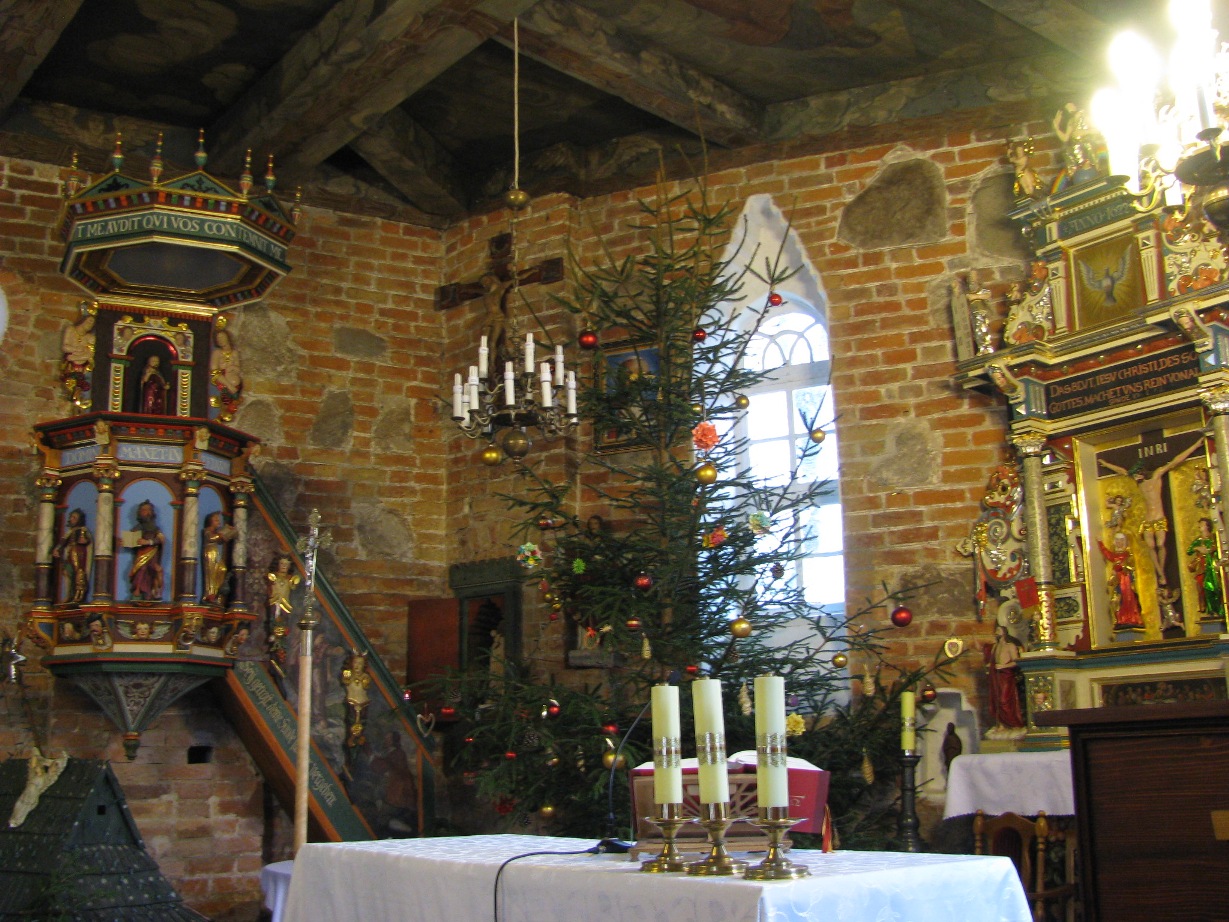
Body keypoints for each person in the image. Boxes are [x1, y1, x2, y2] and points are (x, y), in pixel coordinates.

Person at [1098, 438, 1204, 585]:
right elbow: (1122, 471)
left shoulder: (1156, 476)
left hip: (1159, 517)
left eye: (1136, 475)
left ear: (1141, 472)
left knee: (1160, 545)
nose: (1135, 477)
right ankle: (1160, 573)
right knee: (1151, 546)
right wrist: (1106, 464)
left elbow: (1175, 461)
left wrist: (1195, 445)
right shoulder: (1139, 483)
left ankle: (1162, 572)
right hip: (1148, 519)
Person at [1097, 531, 1143, 628]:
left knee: (1129, 599)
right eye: (1117, 540)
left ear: (1125, 542)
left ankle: (1132, 618)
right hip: (1119, 582)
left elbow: (1131, 567)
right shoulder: (1114, 556)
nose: (1119, 542)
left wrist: (1122, 567)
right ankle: (1120, 619)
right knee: (1117, 600)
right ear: (1114, 542)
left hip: (1127, 582)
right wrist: (1100, 542)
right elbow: (1107, 554)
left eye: (1122, 540)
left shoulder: (1128, 555)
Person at [984, 624, 1025, 729]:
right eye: (996, 630)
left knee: (1004, 699)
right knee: (997, 699)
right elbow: (993, 660)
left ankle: (1013, 723)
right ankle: (1002, 724)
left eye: (998, 630)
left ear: (1004, 632)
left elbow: (1016, 662)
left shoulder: (1010, 646)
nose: (996, 632)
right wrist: (990, 665)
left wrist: (1003, 666)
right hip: (996, 675)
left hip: (1006, 675)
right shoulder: (995, 647)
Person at [53, 508, 92, 605]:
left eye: (74, 518)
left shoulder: (83, 530)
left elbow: (88, 540)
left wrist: (84, 541)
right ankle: (69, 594)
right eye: (71, 517)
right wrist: (57, 549)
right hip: (70, 553)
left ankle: (79, 594)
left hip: (79, 553)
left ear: (79, 519)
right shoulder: (69, 532)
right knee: (68, 572)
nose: (72, 519)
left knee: (79, 573)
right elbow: (63, 542)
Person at [1186, 517, 1224, 617]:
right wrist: (1197, 548)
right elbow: (1189, 551)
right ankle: (1209, 610)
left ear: (1207, 526)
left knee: (1214, 587)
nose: (1200, 526)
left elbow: (1214, 548)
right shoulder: (1198, 540)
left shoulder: (1213, 537)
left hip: (1212, 566)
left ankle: (1218, 610)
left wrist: (1208, 550)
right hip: (1201, 567)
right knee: (1202, 588)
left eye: (1202, 524)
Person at [127, 500, 164, 601]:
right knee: (140, 569)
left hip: (152, 552)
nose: (146, 512)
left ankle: (152, 593)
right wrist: (126, 542)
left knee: (153, 571)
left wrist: (148, 542)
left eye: (148, 510)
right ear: (139, 512)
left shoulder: (155, 528)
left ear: (152, 512)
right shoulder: (137, 528)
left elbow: (160, 539)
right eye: (143, 510)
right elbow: (132, 541)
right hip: (141, 553)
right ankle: (137, 591)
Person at [201, 511, 237, 605]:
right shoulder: (207, 530)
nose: (218, 522)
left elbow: (220, 541)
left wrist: (229, 532)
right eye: (216, 520)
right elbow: (211, 538)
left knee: (222, 569)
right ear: (210, 522)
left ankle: (217, 593)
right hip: (209, 552)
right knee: (211, 574)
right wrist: (221, 535)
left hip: (215, 552)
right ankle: (210, 595)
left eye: (218, 520)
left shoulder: (216, 532)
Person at [210, 327, 243, 420]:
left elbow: (238, 368)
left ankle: (228, 410)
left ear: (228, 337)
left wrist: (233, 368)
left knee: (232, 401)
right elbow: (214, 371)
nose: (221, 340)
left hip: (235, 383)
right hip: (222, 380)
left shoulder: (234, 353)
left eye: (222, 337)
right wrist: (230, 386)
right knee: (224, 400)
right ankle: (222, 413)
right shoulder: (217, 353)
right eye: (218, 338)